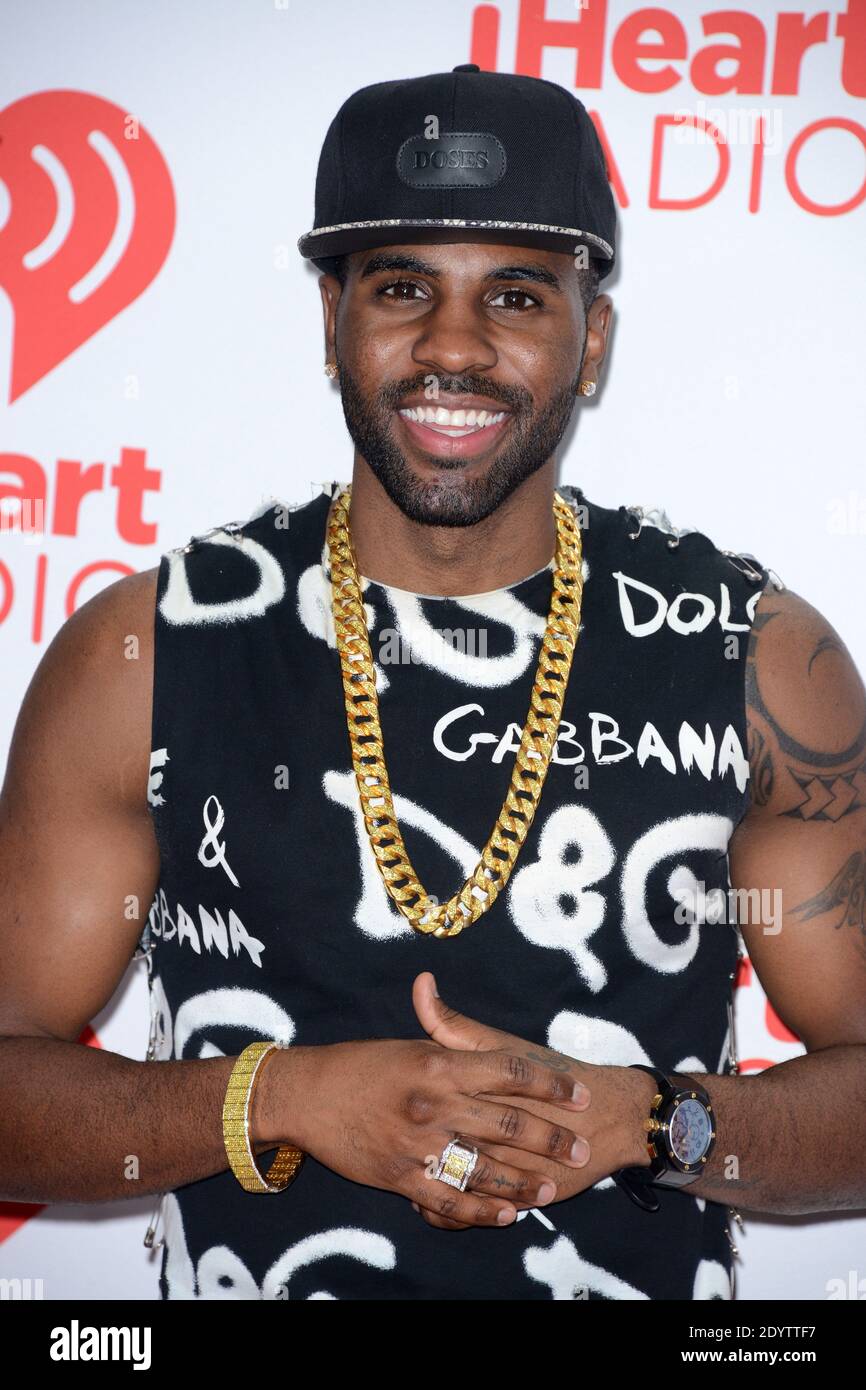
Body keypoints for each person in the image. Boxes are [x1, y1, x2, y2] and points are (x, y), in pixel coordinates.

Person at [2, 65, 865, 1303]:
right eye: (401, 287)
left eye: (515, 295)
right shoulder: (151, 651)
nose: (452, 347)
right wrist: (284, 1096)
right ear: (328, 320)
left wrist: (643, 1123)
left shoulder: (752, 654)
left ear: (593, 336)